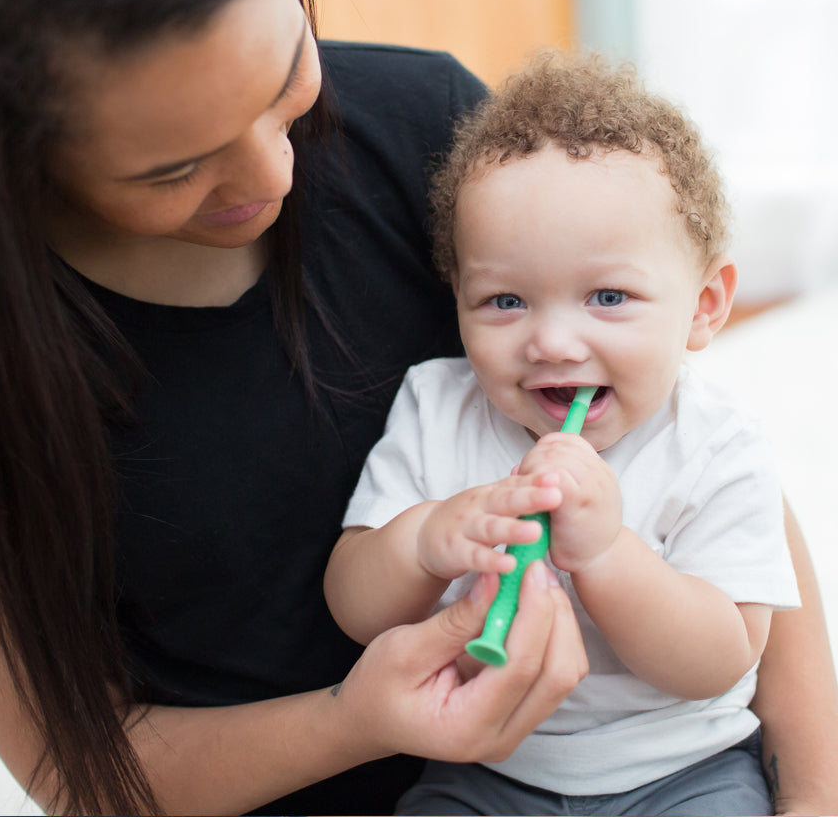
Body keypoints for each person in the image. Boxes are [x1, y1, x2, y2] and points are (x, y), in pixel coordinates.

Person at [0, 0, 833, 814]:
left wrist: (812, 793)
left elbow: (714, 493)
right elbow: (88, 774)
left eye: (285, 82)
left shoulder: (429, 133)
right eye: (173, 168)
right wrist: (358, 717)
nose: (274, 173)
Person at [323, 52, 806, 816]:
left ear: (706, 305)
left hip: (682, 774)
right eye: (504, 300)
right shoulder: (436, 408)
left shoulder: (716, 443)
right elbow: (352, 604)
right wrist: (423, 543)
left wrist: (608, 553)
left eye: (608, 296)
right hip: (483, 771)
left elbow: (721, 658)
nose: (552, 342)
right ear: (456, 298)